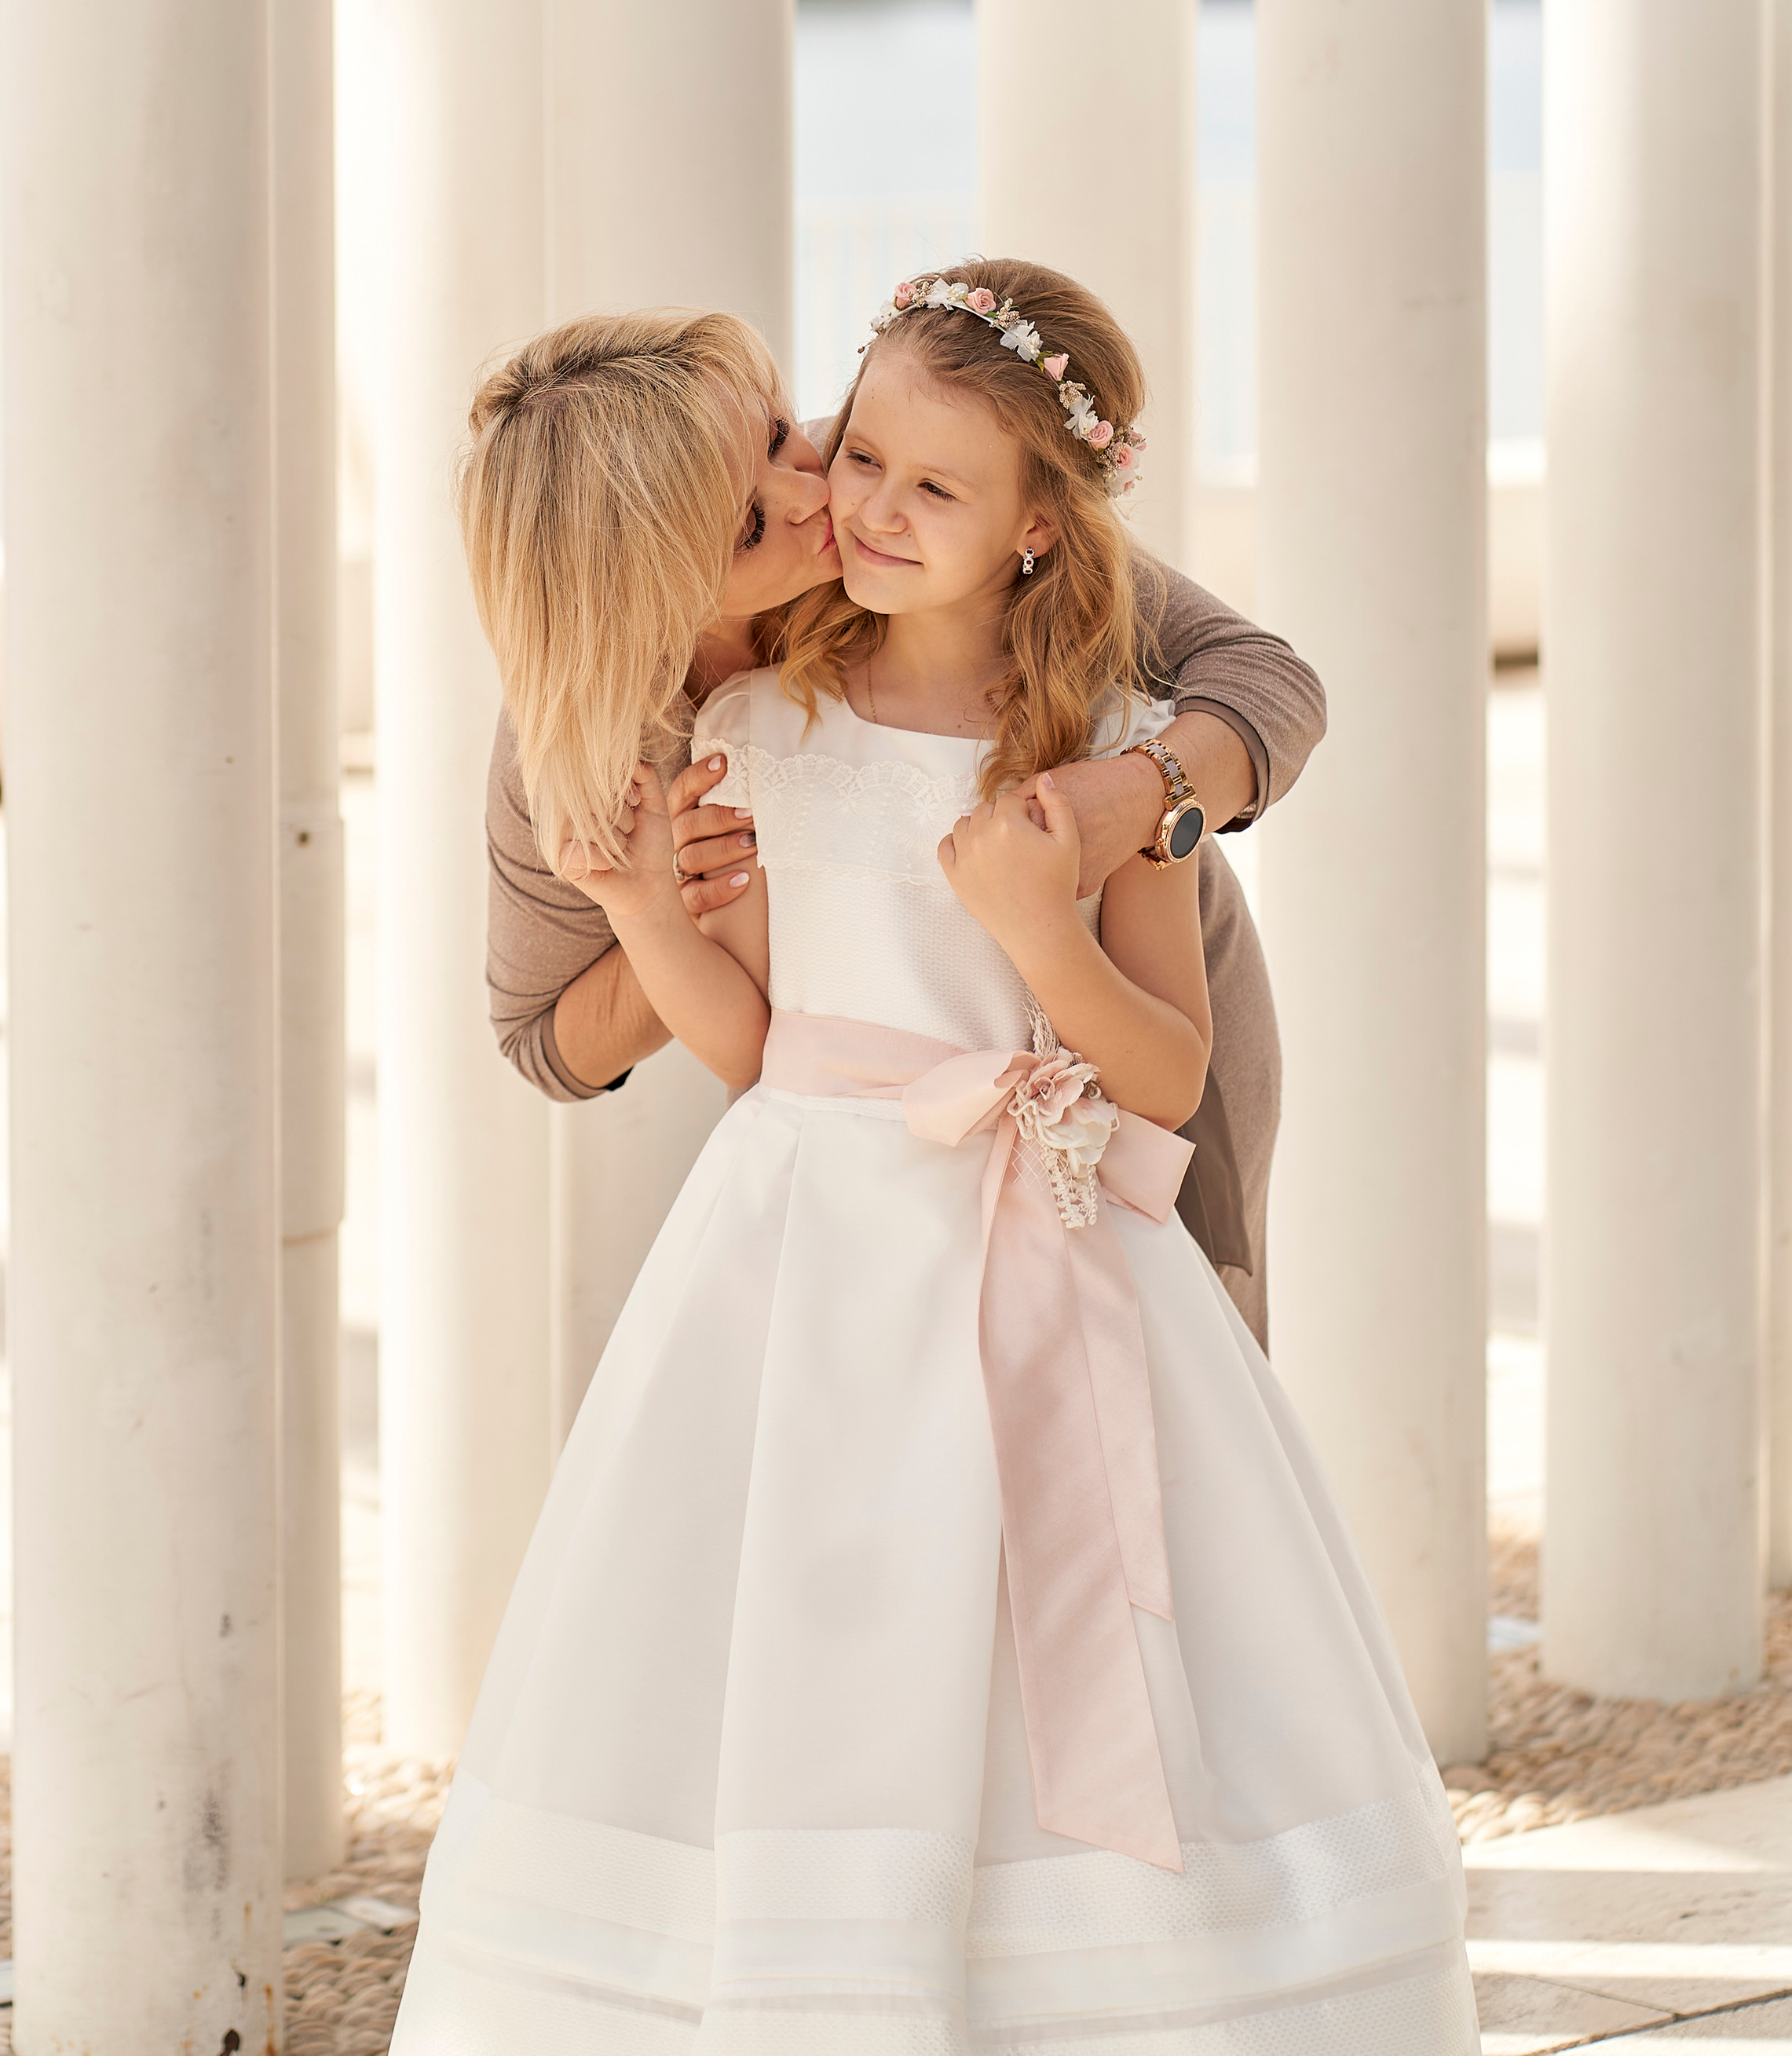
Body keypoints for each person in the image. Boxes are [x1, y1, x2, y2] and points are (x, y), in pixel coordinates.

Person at [390, 258, 1475, 2054]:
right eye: (782, 500)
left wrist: (1096, 852)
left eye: (797, 439)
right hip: (815, 1252)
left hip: (1069, 1193)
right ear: (669, 578)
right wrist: (646, 912)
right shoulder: (689, 731)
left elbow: (1249, 720)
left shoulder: (1075, 679)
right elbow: (662, 1038)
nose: (836, 497)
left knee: (1117, 1558)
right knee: (824, 1590)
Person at [471, 306, 1324, 1339]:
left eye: (788, 436)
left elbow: (1264, 679)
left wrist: (1131, 798)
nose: (815, 493)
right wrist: (673, 906)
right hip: (868, 1151)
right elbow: (543, 1037)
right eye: (747, 523)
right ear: (645, 591)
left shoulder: (911, 493)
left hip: (1123, 1042)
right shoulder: (608, 739)